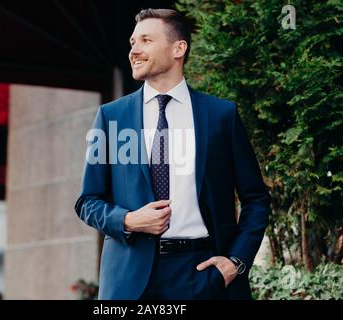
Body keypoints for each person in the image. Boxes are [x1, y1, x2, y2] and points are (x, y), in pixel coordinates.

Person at [75, 8, 271, 300]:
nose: (134, 51)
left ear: (179, 48)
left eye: (145, 40)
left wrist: (236, 263)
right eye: (132, 43)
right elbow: (87, 201)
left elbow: (255, 198)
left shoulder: (221, 115)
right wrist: (128, 220)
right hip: (130, 281)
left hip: (203, 275)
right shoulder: (111, 117)